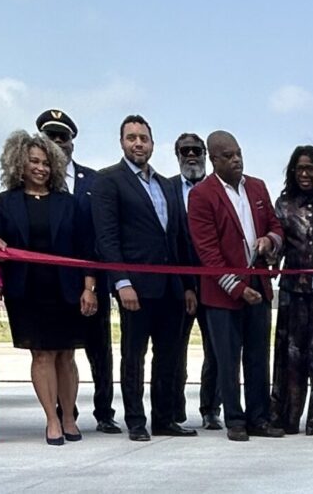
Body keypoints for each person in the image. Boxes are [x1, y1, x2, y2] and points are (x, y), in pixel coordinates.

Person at [91, 115, 198, 442]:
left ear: (153, 143)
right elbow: (106, 238)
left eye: (144, 138)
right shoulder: (109, 181)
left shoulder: (167, 185)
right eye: (132, 138)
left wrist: (189, 285)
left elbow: (179, 238)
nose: (138, 143)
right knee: (134, 356)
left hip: (171, 288)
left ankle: (164, 418)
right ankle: (136, 420)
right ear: (122, 142)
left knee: (169, 357)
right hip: (136, 288)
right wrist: (121, 282)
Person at [0, 130, 96, 445]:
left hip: (66, 290)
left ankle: (68, 417)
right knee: (41, 355)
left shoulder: (69, 203)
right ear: (19, 164)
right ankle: (51, 418)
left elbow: (85, 249)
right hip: (28, 291)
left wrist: (89, 288)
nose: (41, 168)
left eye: (47, 162)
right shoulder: (6, 202)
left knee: (66, 355)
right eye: (34, 161)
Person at [187, 131, 285, 442]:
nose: (236, 159)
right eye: (228, 156)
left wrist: (270, 240)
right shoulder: (201, 195)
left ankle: (259, 417)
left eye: (238, 153)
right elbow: (208, 252)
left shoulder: (257, 187)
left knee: (258, 355)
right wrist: (238, 288)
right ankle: (235, 419)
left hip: (258, 281)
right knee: (227, 359)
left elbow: (275, 225)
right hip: (222, 294)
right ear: (213, 160)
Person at [36, 108, 118, 434]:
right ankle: (62, 411)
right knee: (56, 350)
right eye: (50, 137)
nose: (57, 143)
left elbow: (102, 232)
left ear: (73, 142)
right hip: (50, 284)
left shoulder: (94, 182)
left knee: (100, 350)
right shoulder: (33, 182)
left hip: (90, 278)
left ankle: (104, 411)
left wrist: (95, 283)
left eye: (63, 137)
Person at [270, 145, 313, 436]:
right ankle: (286, 416)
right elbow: (279, 242)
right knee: (290, 356)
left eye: (311, 168)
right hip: (292, 290)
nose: (306, 174)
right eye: (300, 169)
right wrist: (270, 248)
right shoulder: (283, 205)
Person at [170, 132, 222, 431]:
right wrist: (186, 284)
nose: (191, 155)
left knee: (216, 351)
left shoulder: (218, 189)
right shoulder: (167, 190)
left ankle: (211, 408)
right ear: (177, 155)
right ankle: (175, 409)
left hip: (215, 283)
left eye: (196, 150)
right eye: (184, 151)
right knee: (175, 351)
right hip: (179, 286)